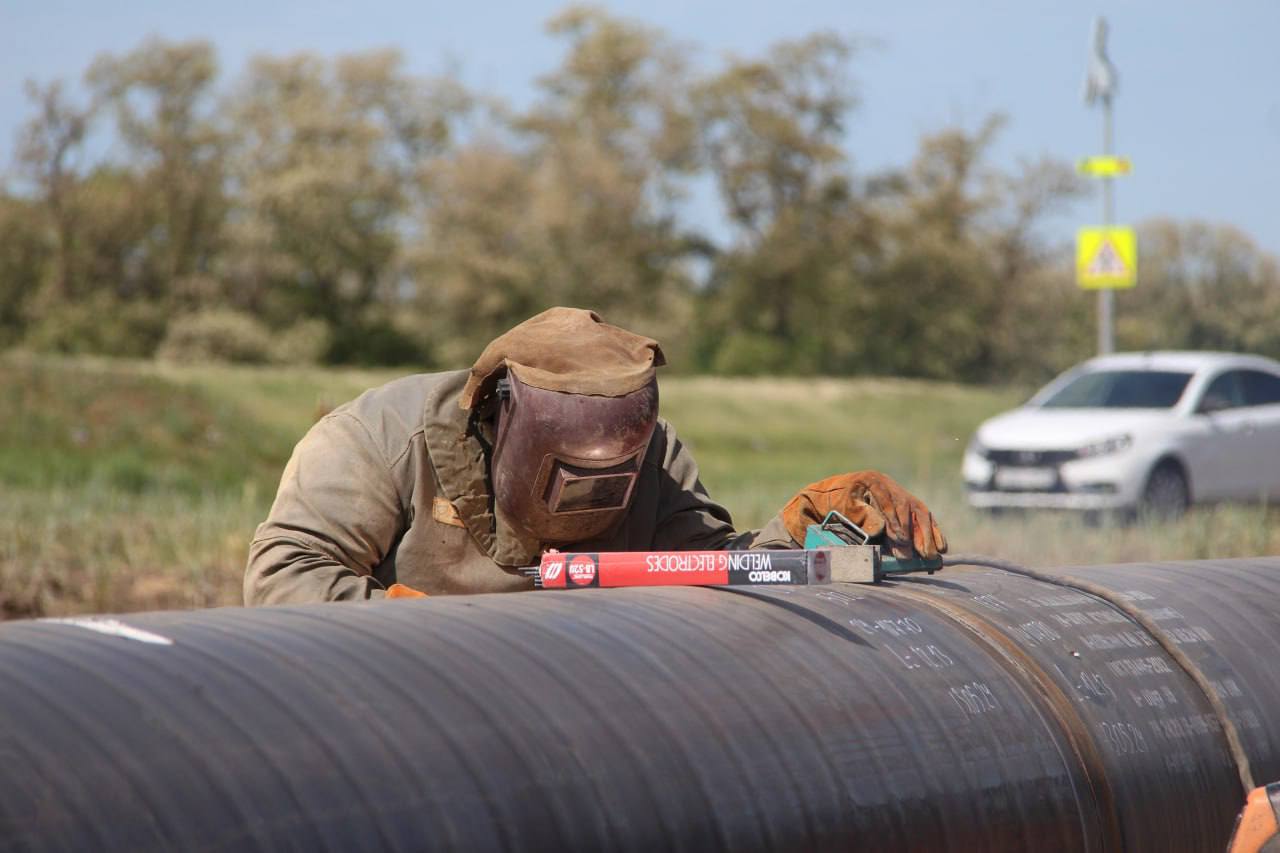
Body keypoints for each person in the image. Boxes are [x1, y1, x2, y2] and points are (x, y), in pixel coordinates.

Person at [245, 307, 946, 604]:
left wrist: (796, 535)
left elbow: (707, 576)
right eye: (569, 473)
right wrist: (422, 633)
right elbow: (281, 576)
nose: (595, 495)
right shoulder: (378, 439)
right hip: (408, 712)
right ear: (497, 416)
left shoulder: (657, 458)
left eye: (617, 470)